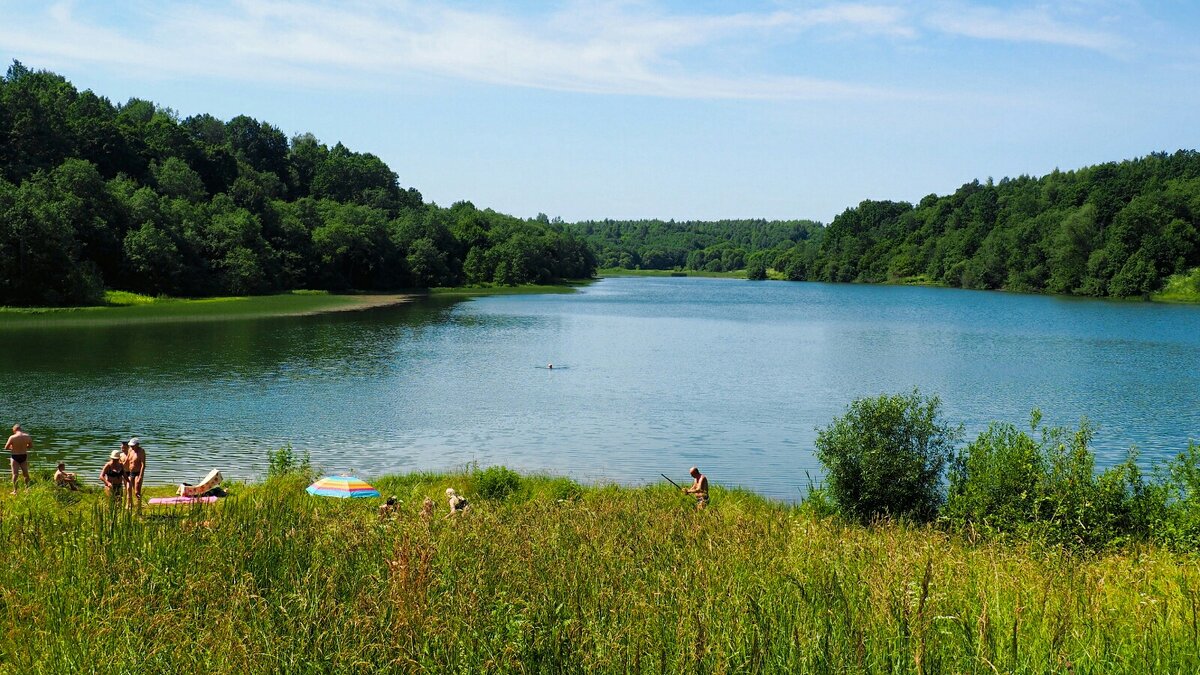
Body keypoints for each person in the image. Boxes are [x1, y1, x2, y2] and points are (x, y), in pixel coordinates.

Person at [5, 423, 33, 495]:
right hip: (24, 456)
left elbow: (6, 447)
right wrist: (24, 446)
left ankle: (15, 491)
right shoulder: (27, 436)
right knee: (26, 474)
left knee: (15, 474)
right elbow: (30, 446)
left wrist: (13, 447)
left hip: (15, 456)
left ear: (14, 430)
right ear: (20, 429)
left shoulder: (12, 437)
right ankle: (27, 489)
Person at [124, 437, 146, 510]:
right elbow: (127, 460)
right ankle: (129, 505)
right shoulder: (130, 450)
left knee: (137, 491)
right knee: (128, 488)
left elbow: (143, 465)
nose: (131, 447)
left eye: (133, 445)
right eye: (131, 446)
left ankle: (139, 507)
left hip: (137, 473)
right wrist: (121, 468)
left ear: (137, 444)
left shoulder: (141, 451)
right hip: (131, 472)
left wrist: (140, 476)